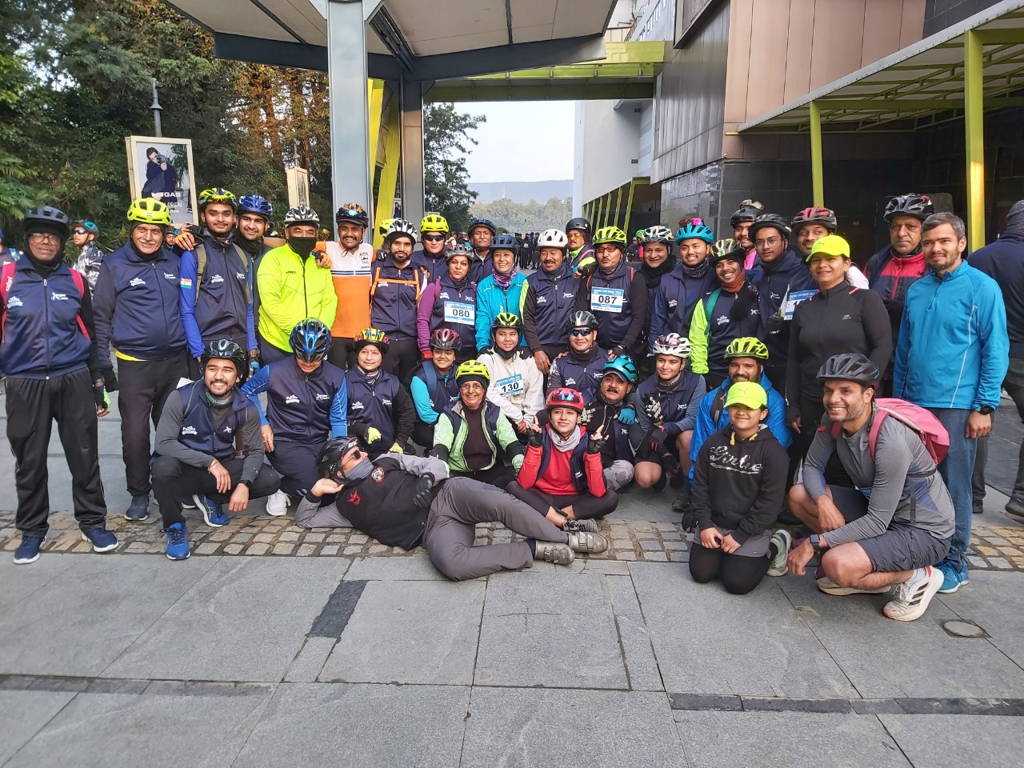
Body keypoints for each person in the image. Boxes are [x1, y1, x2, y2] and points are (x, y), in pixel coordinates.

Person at [786, 353, 954, 622]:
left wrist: (814, 542)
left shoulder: (891, 440)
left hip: (923, 531)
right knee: (799, 495)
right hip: (881, 513)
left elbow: (877, 522)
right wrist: (823, 502)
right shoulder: (833, 419)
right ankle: (868, 566)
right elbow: (812, 467)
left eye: (845, 391)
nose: (833, 399)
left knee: (835, 564)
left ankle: (917, 575)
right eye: (829, 391)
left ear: (868, 394)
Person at [295, 437, 609, 579]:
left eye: (360, 450)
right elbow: (305, 521)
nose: (362, 455)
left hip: (450, 494)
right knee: (452, 565)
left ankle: (565, 535)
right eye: (353, 456)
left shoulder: (386, 460)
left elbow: (434, 463)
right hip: (434, 530)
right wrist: (315, 492)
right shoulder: (344, 508)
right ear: (337, 471)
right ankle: (532, 549)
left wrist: (427, 480)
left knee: (500, 502)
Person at [894, 212, 1008, 594]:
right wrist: (898, 401)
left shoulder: (983, 287)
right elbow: (904, 349)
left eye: (943, 241)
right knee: (918, 484)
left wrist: (985, 406)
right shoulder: (918, 289)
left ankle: (955, 562)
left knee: (955, 485)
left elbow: (996, 349)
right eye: (929, 242)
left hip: (958, 405)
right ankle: (922, 550)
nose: (935, 248)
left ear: (961, 243)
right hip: (916, 403)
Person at [1, 205, 117, 564]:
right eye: (38, 234)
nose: (45, 241)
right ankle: (33, 530)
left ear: (62, 242)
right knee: (30, 461)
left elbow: (92, 330)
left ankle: (92, 522)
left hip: (73, 377)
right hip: (25, 380)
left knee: (84, 457)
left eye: (52, 236)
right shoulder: (6, 277)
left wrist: (99, 377)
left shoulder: (75, 280)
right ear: (28, 239)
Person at [93, 198, 189, 522]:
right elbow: (101, 316)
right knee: (135, 433)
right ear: (132, 231)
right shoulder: (114, 264)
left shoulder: (175, 260)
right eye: (141, 230)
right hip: (135, 363)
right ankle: (138, 491)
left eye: (155, 231)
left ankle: (169, 486)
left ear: (165, 233)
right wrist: (101, 366)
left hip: (175, 361)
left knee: (171, 431)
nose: (148, 237)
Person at [152, 340, 281, 560]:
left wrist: (244, 484)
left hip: (221, 469)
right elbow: (163, 443)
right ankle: (174, 526)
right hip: (186, 468)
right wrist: (208, 462)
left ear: (238, 376)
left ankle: (211, 498)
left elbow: (255, 451)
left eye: (227, 370)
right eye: (213, 368)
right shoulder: (181, 397)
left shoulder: (245, 407)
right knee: (163, 465)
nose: (219, 376)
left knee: (269, 479)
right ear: (204, 371)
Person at [786, 234, 892, 460]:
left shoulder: (865, 299)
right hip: (813, 400)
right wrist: (793, 404)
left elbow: (882, 347)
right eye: (816, 260)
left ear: (846, 263)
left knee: (858, 462)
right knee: (817, 462)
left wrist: (867, 388)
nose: (822, 265)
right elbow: (795, 359)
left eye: (830, 259)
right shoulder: (804, 307)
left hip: (854, 401)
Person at [689, 382, 790, 594]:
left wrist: (740, 535)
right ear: (728, 410)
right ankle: (725, 553)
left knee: (736, 584)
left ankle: (775, 545)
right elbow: (700, 485)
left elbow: (770, 502)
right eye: (736, 406)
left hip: (750, 529)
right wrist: (705, 524)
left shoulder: (774, 453)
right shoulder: (713, 443)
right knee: (702, 574)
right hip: (715, 524)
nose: (742, 412)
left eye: (749, 408)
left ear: (763, 413)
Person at [241, 318, 347, 517]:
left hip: (318, 441)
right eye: (302, 358)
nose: (308, 364)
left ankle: (299, 480)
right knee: (317, 487)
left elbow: (339, 419)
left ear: (325, 353)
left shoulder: (337, 377)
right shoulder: (274, 371)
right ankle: (278, 486)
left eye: (314, 360)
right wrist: (262, 423)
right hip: (284, 440)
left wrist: (339, 453)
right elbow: (246, 392)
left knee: (338, 487)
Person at [686, 337, 791, 508]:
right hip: (718, 477)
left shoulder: (774, 402)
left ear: (760, 368)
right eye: (734, 365)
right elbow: (700, 450)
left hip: (753, 482)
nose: (740, 371)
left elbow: (775, 455)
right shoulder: (712, 400)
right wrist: (696, 492)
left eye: (748, 366)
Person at [969, 200, 1024, 518]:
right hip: (1019, 356)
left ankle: (973, 495)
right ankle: (1020, 495)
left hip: (979, 353)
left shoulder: (978, 257)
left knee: (977, 420)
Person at [508, 387, 618, 527]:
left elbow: (597, 491)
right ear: (549, 416)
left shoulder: (586, 441)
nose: (563, 418)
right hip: (543, 496)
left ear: (578, 417)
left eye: (570, 413)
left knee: (610, 498)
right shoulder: (539, 437)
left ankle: (551, 517)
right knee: (513, 487)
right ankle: (564, 522)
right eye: (557, 412)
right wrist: (535, 448)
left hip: (573, 499)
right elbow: (525, 484)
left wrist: (592, 455)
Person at [178, 187, 257, 377]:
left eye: (226, 214)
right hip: (207, 343)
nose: (220, 219)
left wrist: (252, 349)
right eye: (213, 213)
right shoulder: (193, 254)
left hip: (239, 341)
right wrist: (198, 351)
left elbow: (248, 308)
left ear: (234, 219)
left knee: (239, 404)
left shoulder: (242, 255)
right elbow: (186, 309)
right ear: (204, 217)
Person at [256, 205, 336, 363]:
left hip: (313, 342)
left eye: (310, 232)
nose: (304, 236)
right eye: (298, 231)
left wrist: (319, 331)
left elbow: (329, 300)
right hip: (277, 342)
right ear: (287, 233)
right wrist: (299, 332)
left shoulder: (320, 262)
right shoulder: (273, 258)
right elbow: (270, 301)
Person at [749, 213, 817, 396]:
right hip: (764, 361)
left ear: (785, 242)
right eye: (760, 242)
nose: (766, 247)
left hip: (793, 362)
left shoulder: (803, 273)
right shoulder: (758, 275)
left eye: (771, 240)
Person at [430, 360, 525, 488]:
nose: (471, 391)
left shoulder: (494, 412)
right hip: (459, 474)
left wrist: (522, 471)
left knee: (514, 486)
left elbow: (511, 444)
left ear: (484, 389)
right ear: (460, 389)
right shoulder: (449, 414)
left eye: (476, 386)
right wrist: (439, 475)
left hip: (491, 472)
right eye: (465, 386)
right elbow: (441, 447)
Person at [632, 333, 705, 491]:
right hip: (656, 441)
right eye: (661, 360)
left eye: (672, 362)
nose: (665, 367)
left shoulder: (697, 382)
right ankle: (664, 474)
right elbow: (646, 429)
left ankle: (688, 490)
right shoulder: (643, 389)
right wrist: (665, 455)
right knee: (645, 479)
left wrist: (667, 428)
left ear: (682, 364)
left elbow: (693, 418)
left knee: (688, 436)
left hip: (681, 438)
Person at [688, 243, 763, 389]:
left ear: (741, 264)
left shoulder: (758, 294)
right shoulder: (707, 302)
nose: (725, 268)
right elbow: (698, 342)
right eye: (719, 265)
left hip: (753, 372)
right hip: (718, 374)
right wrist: (701, 376)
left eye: (731, 262)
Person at [866, 193, 934, 342]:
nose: (901, 233)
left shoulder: (936, 266)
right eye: (895, 226)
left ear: (925, 230)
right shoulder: (876, 263)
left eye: (910, 226)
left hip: (919, 351)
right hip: (882, 353)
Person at [573, 225, 648, 358]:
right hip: (595, 348)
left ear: (621, 252)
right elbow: (581, 312)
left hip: (626, 349)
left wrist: (623, 346)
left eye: (611, 249)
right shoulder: (589, 278)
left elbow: (639, 317)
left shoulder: (634, 277)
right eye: (600, 250)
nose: (605, 254)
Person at [370, 218, 428, 381]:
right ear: (389, 244)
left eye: (406, 244)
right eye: (397, 243)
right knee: (382, 388)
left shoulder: (420, 274)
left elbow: (423, 311)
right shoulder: (375, 269)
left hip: (409, 341)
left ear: (412, 247)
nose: (401, 248)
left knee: (407, 390)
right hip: (382, 340)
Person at [346, 328, 415, 457]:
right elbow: (336, 420)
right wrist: (361, 429)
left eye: (375, 353)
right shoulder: (345, 381)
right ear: (357, 354)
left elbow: (407, 413)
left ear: (382, 356)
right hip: (354, 453)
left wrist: (399, 443)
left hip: (388, 450)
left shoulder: (392, 382)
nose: (369, 358)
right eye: (364, 352)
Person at [649, 219, 715, 350]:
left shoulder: (717, 277)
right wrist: (652, 351)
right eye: (685, 247)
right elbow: (658, 320)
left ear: (707, 248)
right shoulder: (668, 280)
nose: (690, 252)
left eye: (696, 246)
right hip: (673, 352)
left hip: (708, 351)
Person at [477, 313, 544, 436]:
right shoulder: (486, 358)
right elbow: (488, 393)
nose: (508, 339)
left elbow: (536, 392)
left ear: (519, 336)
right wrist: (517, 417)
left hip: (525, 417)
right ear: (494, 336)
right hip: (498, 415)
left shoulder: (527, 358)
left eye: (512, 334)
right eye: (502, 334)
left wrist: (527, 421)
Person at [325, 203, 374, 369]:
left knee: (358, 384)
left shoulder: (369, 250)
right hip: (334, 333)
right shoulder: (328, 248)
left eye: (355, 229)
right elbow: (291, 245)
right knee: (334, 383)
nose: (349, 233)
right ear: (338, 230)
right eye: (344, 228)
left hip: (362, 334)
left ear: (363, 232)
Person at [583, 356, 641, 492]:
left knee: (625, 469)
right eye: (608, 379)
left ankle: (589, 491)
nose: (613, 385)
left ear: (628, 388)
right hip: (579, 462)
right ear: (601, 381)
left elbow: (643, 450)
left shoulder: (633, 410)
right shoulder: (586, 401)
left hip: (608, 467)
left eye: (620, 382)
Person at [523, 228, 577, 374]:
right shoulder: (530, 282)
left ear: (563, 255)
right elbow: (526, 319)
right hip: (541, 351)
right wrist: (537, 350)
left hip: (569, 350)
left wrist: (573, 351)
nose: (548, 258)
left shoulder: (576, 279)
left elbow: (582, 315)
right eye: (544, 252)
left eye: (553, 253)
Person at [417, 243, 478, 361]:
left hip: (467, 352)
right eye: (454, 262)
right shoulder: (435, 288)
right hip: (441, 351)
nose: (458, 267)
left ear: (468, 268)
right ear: (448, 264)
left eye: (463, 264)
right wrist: (425, 347)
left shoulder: (474, 290)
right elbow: (422, 319)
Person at [790, 207, 869, 288]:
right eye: (803, 233)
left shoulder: (850, 273)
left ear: (831, 235)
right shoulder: (796, 274)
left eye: (817, 232)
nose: (809, 237)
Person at [410, 328, 462, 447]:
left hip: (456, 420)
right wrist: (450, 424)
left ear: (455, 356)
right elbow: (426, 414)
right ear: (432, 353)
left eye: (448, 352)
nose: (442, 356)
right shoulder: (420, 378)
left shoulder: (461, 374)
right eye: (438, 351)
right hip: (429, 425)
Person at [475, 233, 526, 351]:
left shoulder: (524, 283)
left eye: (507, 255)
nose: (502, 259)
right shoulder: (484, 286)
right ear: (492, 259)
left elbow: (527, 318)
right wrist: (483, 346)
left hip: (521, 347)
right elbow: (483, 317)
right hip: (493, 347)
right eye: (497, 255)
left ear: (514, 258)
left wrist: (525, 346)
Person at [547, 310, 609, 404]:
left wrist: (630, 405)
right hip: (571, 414)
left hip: (603, 413)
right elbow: (551, 398)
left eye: (585, 332)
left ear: (594, 334)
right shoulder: (559, 363)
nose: (579, 337)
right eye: (574, 332)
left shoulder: (609, 358)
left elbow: (624, 389)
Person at [636, 225, 677, 355]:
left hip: (671, 346)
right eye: (649, 250)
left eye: (659, 250)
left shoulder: (678, 274)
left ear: (668, 250)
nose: (653, 255)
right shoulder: (636, 274)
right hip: (641, 342)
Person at [70, 220, 106, 292]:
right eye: (75, 232)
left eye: (81, 232)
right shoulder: (81, 254)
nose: (76, 235)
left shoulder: (95, 255)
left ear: (91, 236)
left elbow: (95, 284)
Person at [729, 199, 764, 270]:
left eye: (749, 229)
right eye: (738, 229)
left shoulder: (767, 260)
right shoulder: (731, 259)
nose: (743, 233)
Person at [414, 212, 450, 281]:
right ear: (423, 240)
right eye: (429, 238)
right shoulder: (413, 258)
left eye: (438, 238)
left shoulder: (452, 260)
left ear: (444, 239)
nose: (434, 242)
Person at [466, 217, 496, 284]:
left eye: (486, 233)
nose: (482, 237)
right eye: (477, 233)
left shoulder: (498, 258)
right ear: (471, 238)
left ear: (492, 237)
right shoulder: (466, 259)